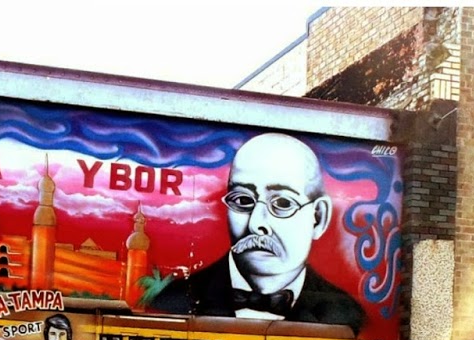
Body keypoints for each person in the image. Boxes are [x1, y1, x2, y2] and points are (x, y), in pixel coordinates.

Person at [143, 132, 362, 327]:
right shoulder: (172, 303)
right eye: (242, 199)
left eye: (283, 204)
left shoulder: (347, 315)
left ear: (318, 217)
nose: (257, 223)